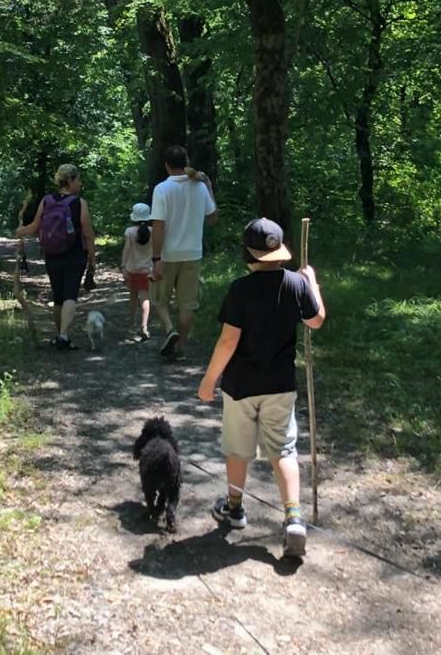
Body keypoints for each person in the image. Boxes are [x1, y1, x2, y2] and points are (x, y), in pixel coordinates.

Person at [197, 217, 325, 558]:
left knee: (238, 448)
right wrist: (313, 284)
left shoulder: (241, 290)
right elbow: (317, 320)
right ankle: (293, 517)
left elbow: (228, 341)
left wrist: (210, 380)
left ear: (248, 254)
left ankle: (235, 508)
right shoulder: (297, 284)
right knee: (283, 450)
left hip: (241, 385)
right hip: (280, 384)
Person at [16, 164, 96, 350]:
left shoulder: (47, 201)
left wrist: (21, 231)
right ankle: (63, 335)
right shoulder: (79, 203)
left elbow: (34, 227)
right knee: (70, 295)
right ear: (70, 181)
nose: (80, 183)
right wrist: (92, 258)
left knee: (58, 296)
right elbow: (89, 235)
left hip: (52, 254)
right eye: (78, 180)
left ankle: (62, 336)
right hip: (75, 254)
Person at [150, 145, 218, 359]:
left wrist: (156, 258)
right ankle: (180, 349)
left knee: (159, 299)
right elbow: (212, 217)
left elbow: (158, 226)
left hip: (169, 254)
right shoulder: (199, 188)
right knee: (188, 304)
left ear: (166, 165)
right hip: (193, 253)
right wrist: (209, 187)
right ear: (186, 162)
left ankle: (171, 330)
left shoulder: (162, 189)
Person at [121, 202, 153, 340]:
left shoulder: (129, 232)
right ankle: (144, 327)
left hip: (132, 269)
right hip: (148, 269)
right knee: (145, 298)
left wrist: (123, 266)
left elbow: (127, 249)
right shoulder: (154, 231)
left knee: (133, 298)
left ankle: (131, 325)